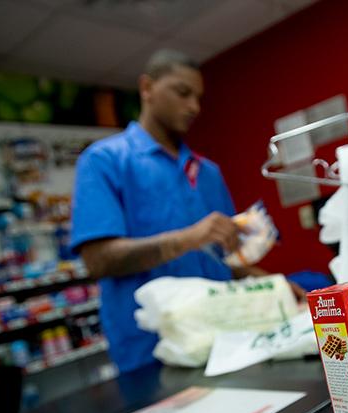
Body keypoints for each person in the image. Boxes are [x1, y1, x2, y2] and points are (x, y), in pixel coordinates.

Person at [71, 49, 298, 372]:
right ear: (147, 88)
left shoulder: (207, 172)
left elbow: (226, 260)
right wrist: (188, 238)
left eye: (198, 97)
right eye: (182, 93)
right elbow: (98, 260)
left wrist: (272, 284)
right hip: (152, 352)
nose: (194, 107)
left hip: (226, 341)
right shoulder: (104, 161)